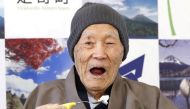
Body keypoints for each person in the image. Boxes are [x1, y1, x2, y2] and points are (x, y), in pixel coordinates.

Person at [24, 2, 178, 109]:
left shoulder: (152, 99)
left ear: (123, 52)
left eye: (110, 43)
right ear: (74, 51)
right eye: (88, 43)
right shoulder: (42, 95)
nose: (99, 54)